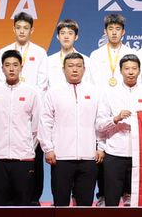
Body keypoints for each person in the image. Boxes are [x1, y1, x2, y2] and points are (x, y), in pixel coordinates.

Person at [0, 11, 49, 204]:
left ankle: (34, 197)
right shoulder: (3, 51)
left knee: (35, 159)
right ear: (13, 28)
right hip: (7, 108)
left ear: (32, 30)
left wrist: (28, 98)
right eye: (19, 27)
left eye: (26, 27)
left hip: (31, 106)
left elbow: (43, 83)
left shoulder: (40, 52)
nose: (22, 31)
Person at [41, 53, 104, 206]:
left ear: (84, 69)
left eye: (78, 66)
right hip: (61, 157)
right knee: (60, 203)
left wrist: (101, 147)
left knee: (84, 204)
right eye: (70, 66)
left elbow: (101, 122)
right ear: (63, 69)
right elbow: (45, 121)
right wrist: (48, 149)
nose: (74, 70)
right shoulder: (53, 92)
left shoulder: (95, 92)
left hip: (88, 157)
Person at [96, 54, 142, 207]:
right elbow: (99, 125)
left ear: (139, 71)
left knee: (136, 203)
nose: (131, 72)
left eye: (134, 69)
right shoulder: (109, 93)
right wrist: (115, 119)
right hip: (114, 154)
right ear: (121, 71)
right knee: (111, 200)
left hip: (139, 156)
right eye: (127, 69)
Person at [0, 49, 43, 206]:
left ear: (21, 68)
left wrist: (28, 147)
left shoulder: (32, 93)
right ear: (2, 68)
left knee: (23, 205)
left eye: (15, 65)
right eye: (7, 65)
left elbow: (37, 125)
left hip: (23, 158)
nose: (11, 69)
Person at [88, 13, 130, 89]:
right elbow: (92, 83)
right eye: (110, 29)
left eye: (118, 29)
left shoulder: (131, 53)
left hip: (125, 97)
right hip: (102, 99)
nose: (114, 33)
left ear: (123, 32)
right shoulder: (96, 55)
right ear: (105, 31)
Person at [48, 19, 92, 89]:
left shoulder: (86, 60)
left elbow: (89, 85)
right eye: (62, 33)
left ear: (76, 37)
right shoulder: (48, 61)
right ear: (57, 36)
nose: (66, 37)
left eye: (70, 33)